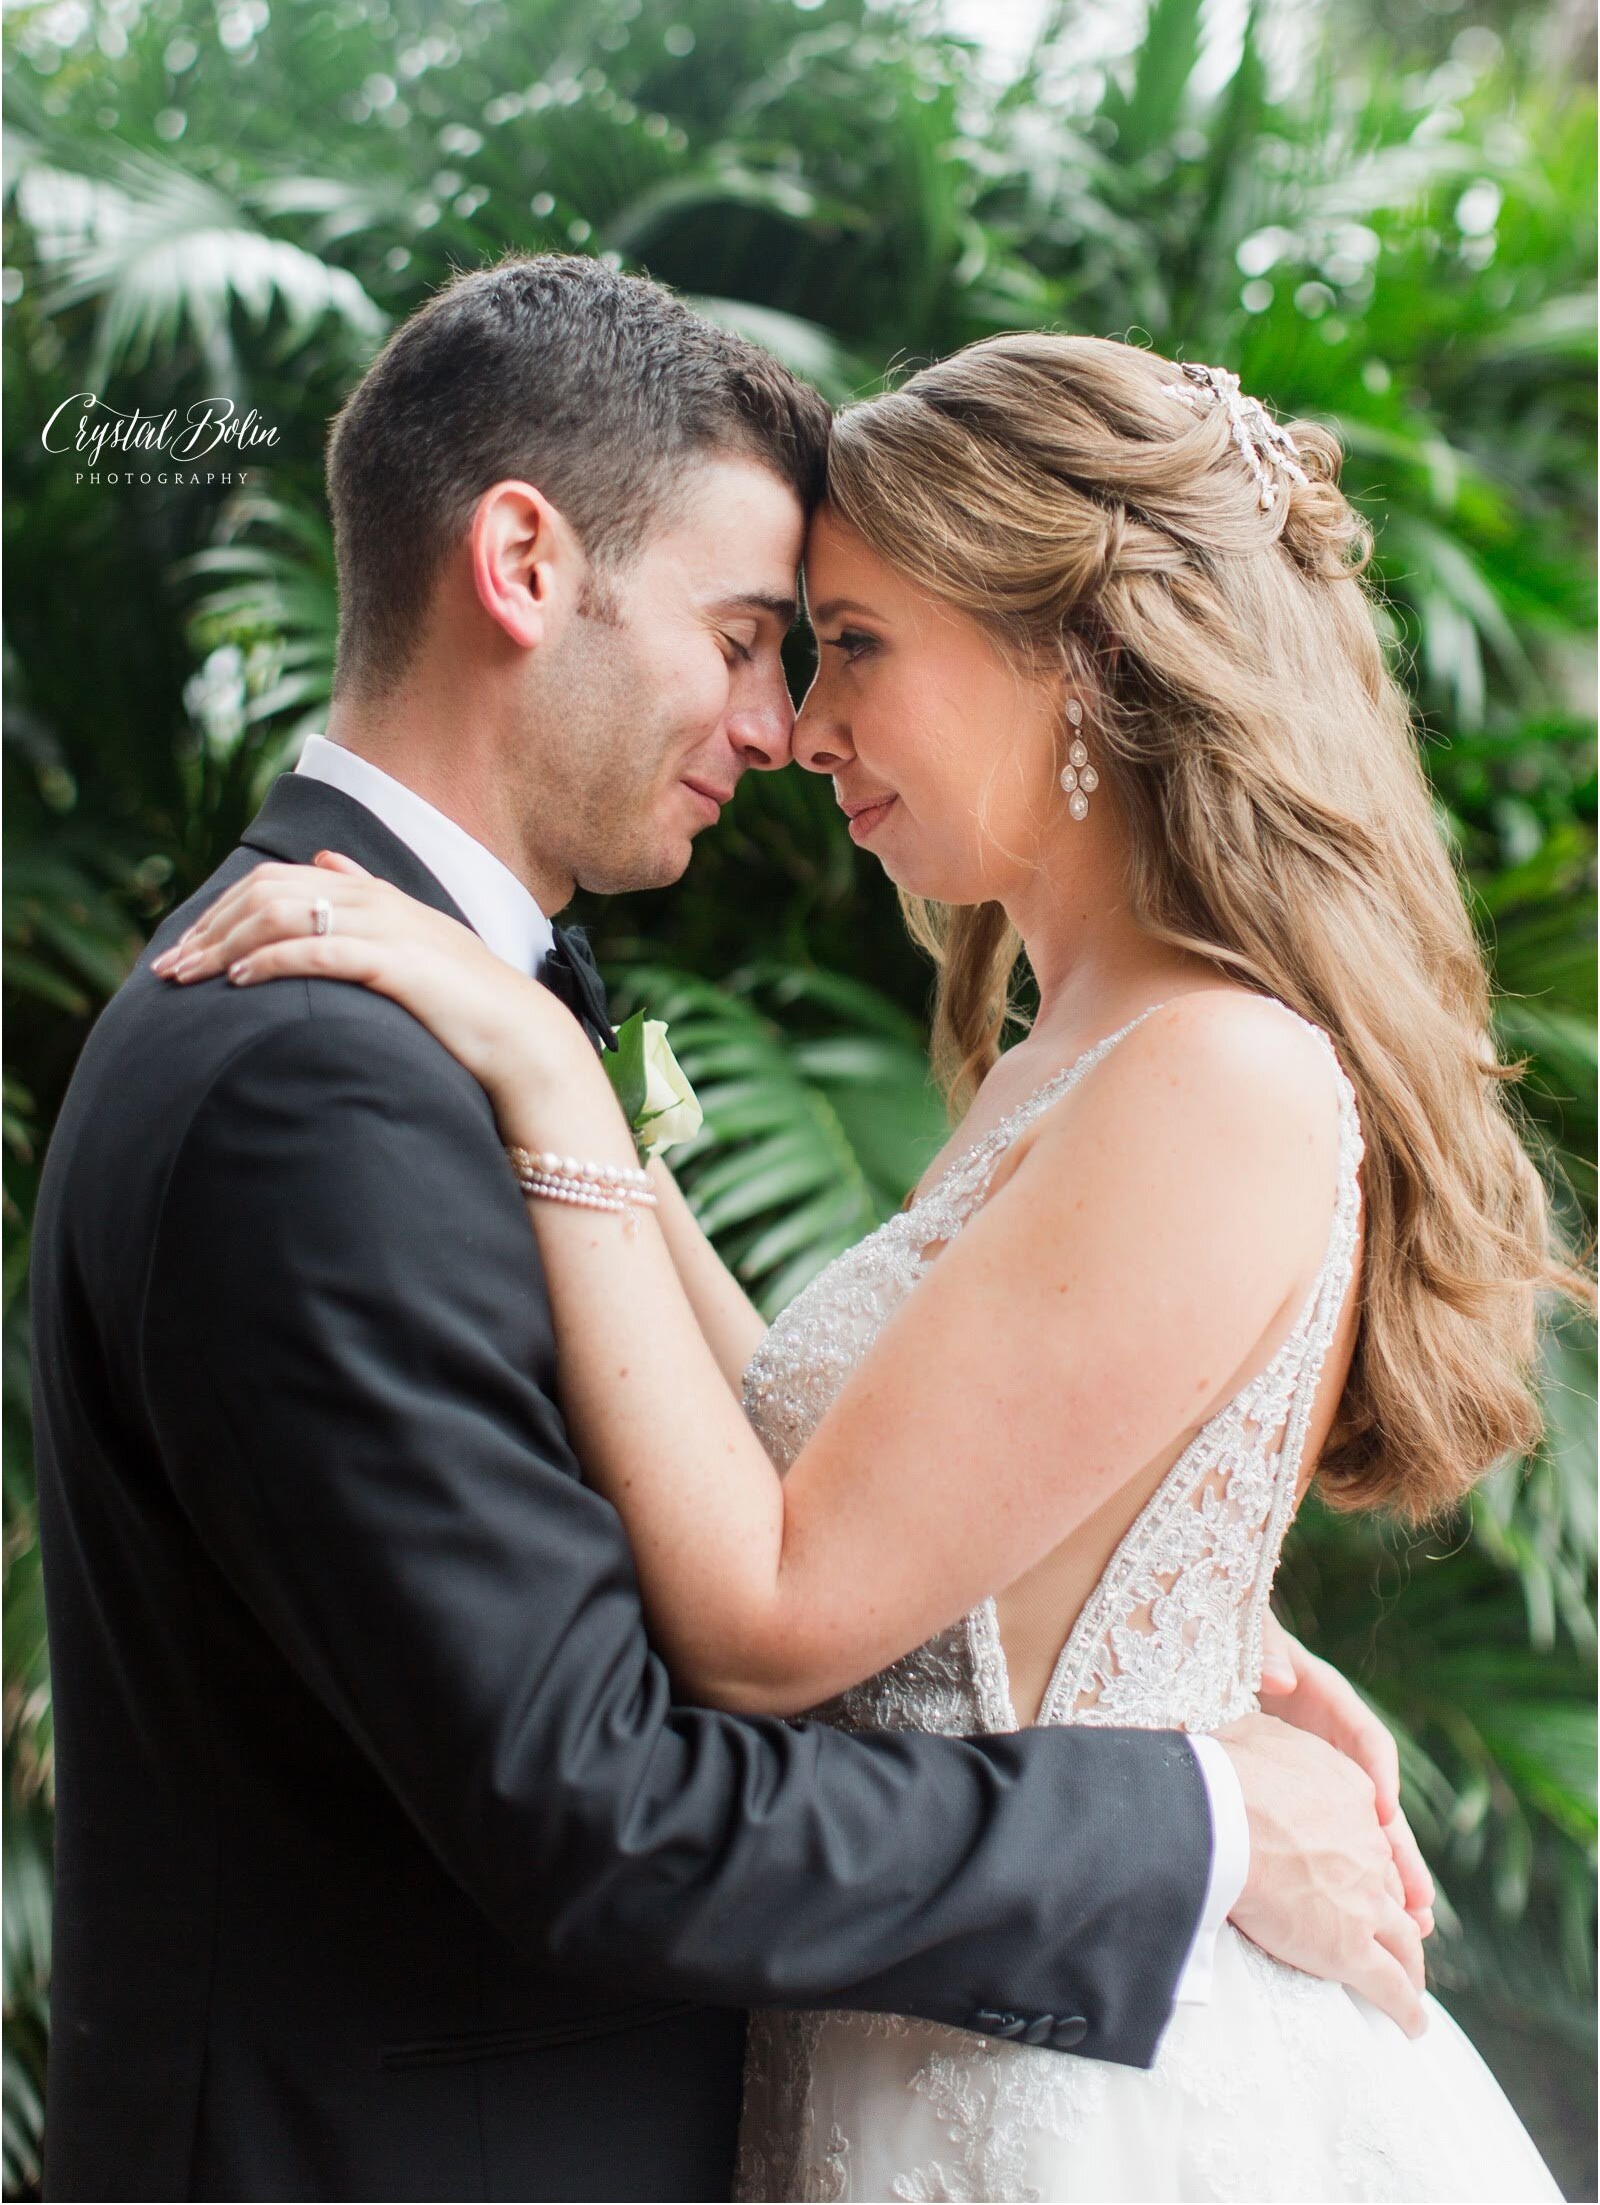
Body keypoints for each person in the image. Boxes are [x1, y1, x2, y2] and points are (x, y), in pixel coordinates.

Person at [35, 256, 1421, 2205]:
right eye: (766, 633)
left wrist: (1168, 1621)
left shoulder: (421, 1023)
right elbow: (609, 1805)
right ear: (521, 562)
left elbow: (806, 1463)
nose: (784, 723)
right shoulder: (316, 1082)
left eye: (840, 647)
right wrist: (1185, 1817)